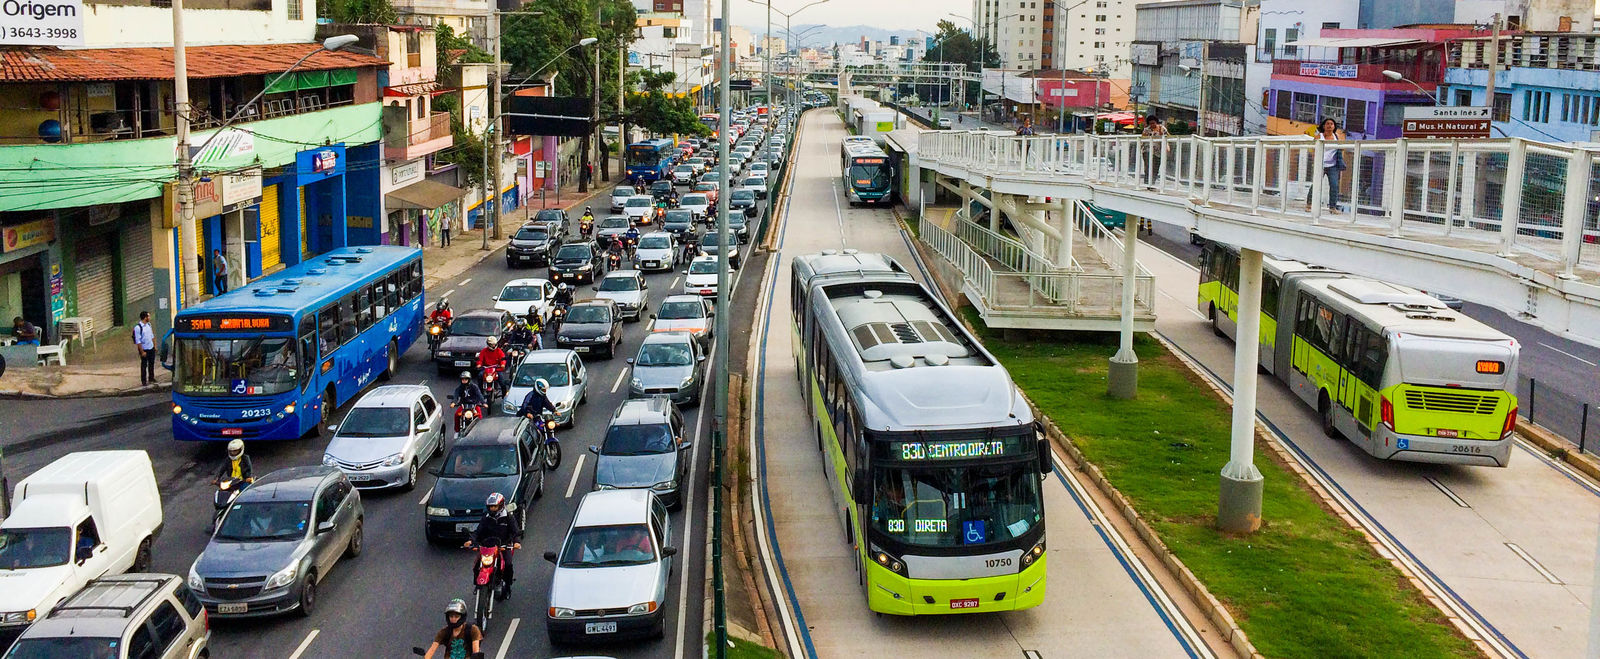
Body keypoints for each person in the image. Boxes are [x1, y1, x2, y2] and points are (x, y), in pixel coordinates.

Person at [465, 492, 523, 591]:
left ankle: (508, 585)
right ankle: (477, 585)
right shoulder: (486, 518)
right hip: (487, 547)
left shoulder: (508, 517)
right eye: (491, 507)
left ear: (500, 506)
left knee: (508, 564)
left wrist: (516, 542)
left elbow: (515, 531)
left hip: (503, 545)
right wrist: (471, 541)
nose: (492, 509)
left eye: (495, 507)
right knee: (477, 565)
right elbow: (478, 531)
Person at [1311, 118, 1346, 212]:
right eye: (1327, 124)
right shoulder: (1319, 136)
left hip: (1332, 166)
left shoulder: (1337, 137)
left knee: (1334, 186)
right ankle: (1309, 204)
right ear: (1324, 126)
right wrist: (1315, 161)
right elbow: (1313, 149)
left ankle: (1332, 207)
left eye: (1331, 124)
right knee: (1316, 185)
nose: (1329, 126)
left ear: (1334, 126)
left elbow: (1341, 148)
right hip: (1320, 165)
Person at [1141, 114, 1168, 187]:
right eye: (1150, 123)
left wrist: (1166, 147)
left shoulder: (1162, 129)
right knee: (1147, 167)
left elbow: (1167, 138)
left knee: (1155, 167)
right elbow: (1142, 139)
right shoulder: (1146, 130)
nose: (1152, 125)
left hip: (1157, 151)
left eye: (1153, 123)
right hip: (1147, 150)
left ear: (1156, 122)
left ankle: (1152, 183)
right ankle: (1146, 183)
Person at [132, 311, 156, 386]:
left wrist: (154, 345)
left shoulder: (149, 325)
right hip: (144, 349)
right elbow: (138, 341)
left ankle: (151, 378)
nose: (149, 317)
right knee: (144, 365)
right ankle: (144, 380)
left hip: (151, 347)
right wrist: (142, 351)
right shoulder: (138, 328)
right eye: (148, 316)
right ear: (145, 317)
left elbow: (152, 335)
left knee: (151, 363)